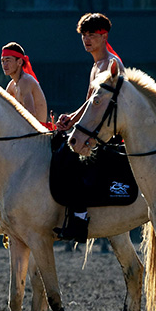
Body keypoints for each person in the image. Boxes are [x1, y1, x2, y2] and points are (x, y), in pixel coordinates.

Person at [52, 13, 126, 242]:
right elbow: (89, 103)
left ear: (104, 36)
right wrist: (71, 119)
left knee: (69, 157)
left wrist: (78, 124)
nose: (86, 39)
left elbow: (109, 107)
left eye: (92, 34)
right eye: (84, 35)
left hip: (109, 133)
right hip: (95, 130)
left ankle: (80, 217)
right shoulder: (96, 66)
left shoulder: (112, 64)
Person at [0, 42, 49, 125]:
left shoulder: (25, 81)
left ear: (19, 62)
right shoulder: (12, 85)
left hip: (37, 131)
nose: (4, 65)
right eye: (3, 61)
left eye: (8, 60)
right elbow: (2, 107)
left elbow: (31, 114)